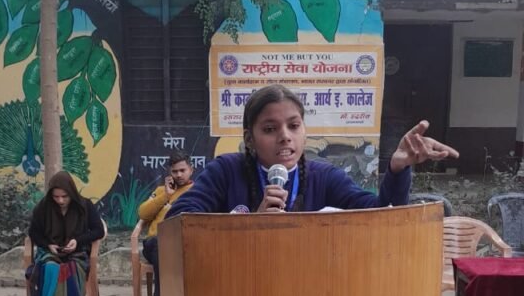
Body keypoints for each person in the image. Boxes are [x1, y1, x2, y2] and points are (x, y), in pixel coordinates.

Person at [167, 84, 459, 216]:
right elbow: (179, 219)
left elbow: (381, 215)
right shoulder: (225, 172)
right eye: (269, 129)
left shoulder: (324, 176)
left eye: (294, 126)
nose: (285, 137)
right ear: (250, 138)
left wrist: (397, 167)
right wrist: (249, 224)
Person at [27, 171, 105, 296]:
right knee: (51, 268)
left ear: (72, 193)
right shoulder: (43, 207)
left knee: (68, 271)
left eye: (64, 196)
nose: (60, 201)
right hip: (49, 253)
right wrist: (48, 244)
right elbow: (34, 232)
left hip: (77, 254)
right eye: (56, 197)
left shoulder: (84, 206)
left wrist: (77, 241)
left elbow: (98, 231)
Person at [138, 151, 194, 296]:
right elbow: (142, 213)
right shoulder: (161, 191)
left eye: (182, 170)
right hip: (154, 242)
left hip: (182, 242)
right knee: (160, 247)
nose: (179, 175)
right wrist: (166, 196)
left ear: (191, 170)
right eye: (175, 171)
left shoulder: (197, 191)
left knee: (168, 251)